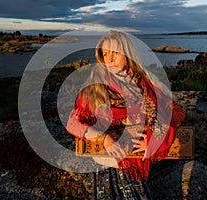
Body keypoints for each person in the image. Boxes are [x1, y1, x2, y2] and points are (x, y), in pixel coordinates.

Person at [66, 30, 186, 199]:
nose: (110, 59)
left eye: (115, 52)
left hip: (136, 159)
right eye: (105, 54)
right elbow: (73, 123)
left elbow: (174, 112)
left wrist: (154, 138)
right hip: (107, 164)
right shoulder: (95, 87)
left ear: (127, 53)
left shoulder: (146, 83)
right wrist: (103, 139)